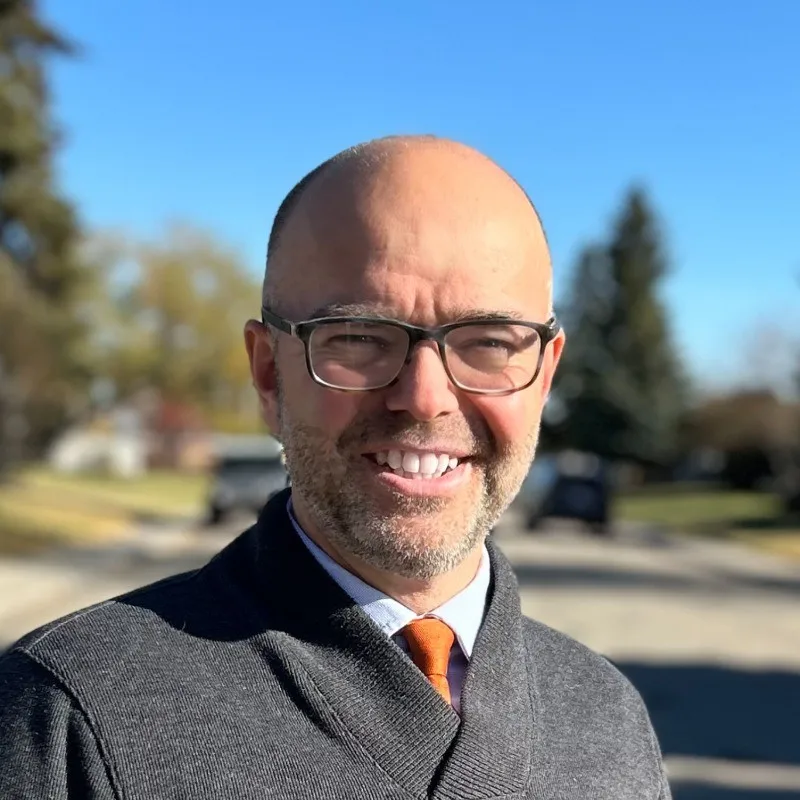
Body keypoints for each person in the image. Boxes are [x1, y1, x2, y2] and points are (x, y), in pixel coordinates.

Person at [0, 135, 672, 799]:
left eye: (490, 343)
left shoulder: (607, 718)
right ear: (269, 373)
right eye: (357, 337)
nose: (425, 397)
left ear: (545, 376)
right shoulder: (70, 716)